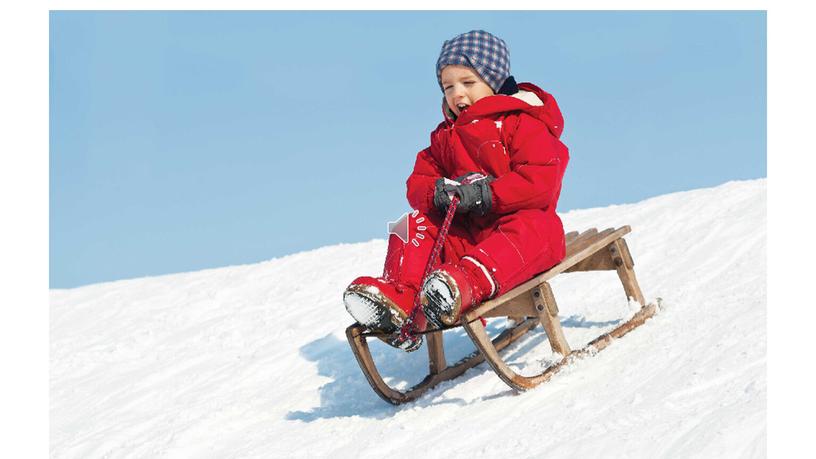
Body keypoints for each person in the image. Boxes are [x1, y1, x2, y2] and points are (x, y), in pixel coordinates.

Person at [343, 30, 570, 351]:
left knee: (533, 227)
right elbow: (418, 180)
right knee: (408, 224)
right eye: (448, 86)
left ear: (494, 81)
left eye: (468, 82)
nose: (456, 94)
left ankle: (458, 288)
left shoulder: (521, 121)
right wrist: (435, 192)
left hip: (521, 234)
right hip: (468, 237)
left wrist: (488, 194)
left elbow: (542, 180)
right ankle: (401, 303)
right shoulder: (447, 136)